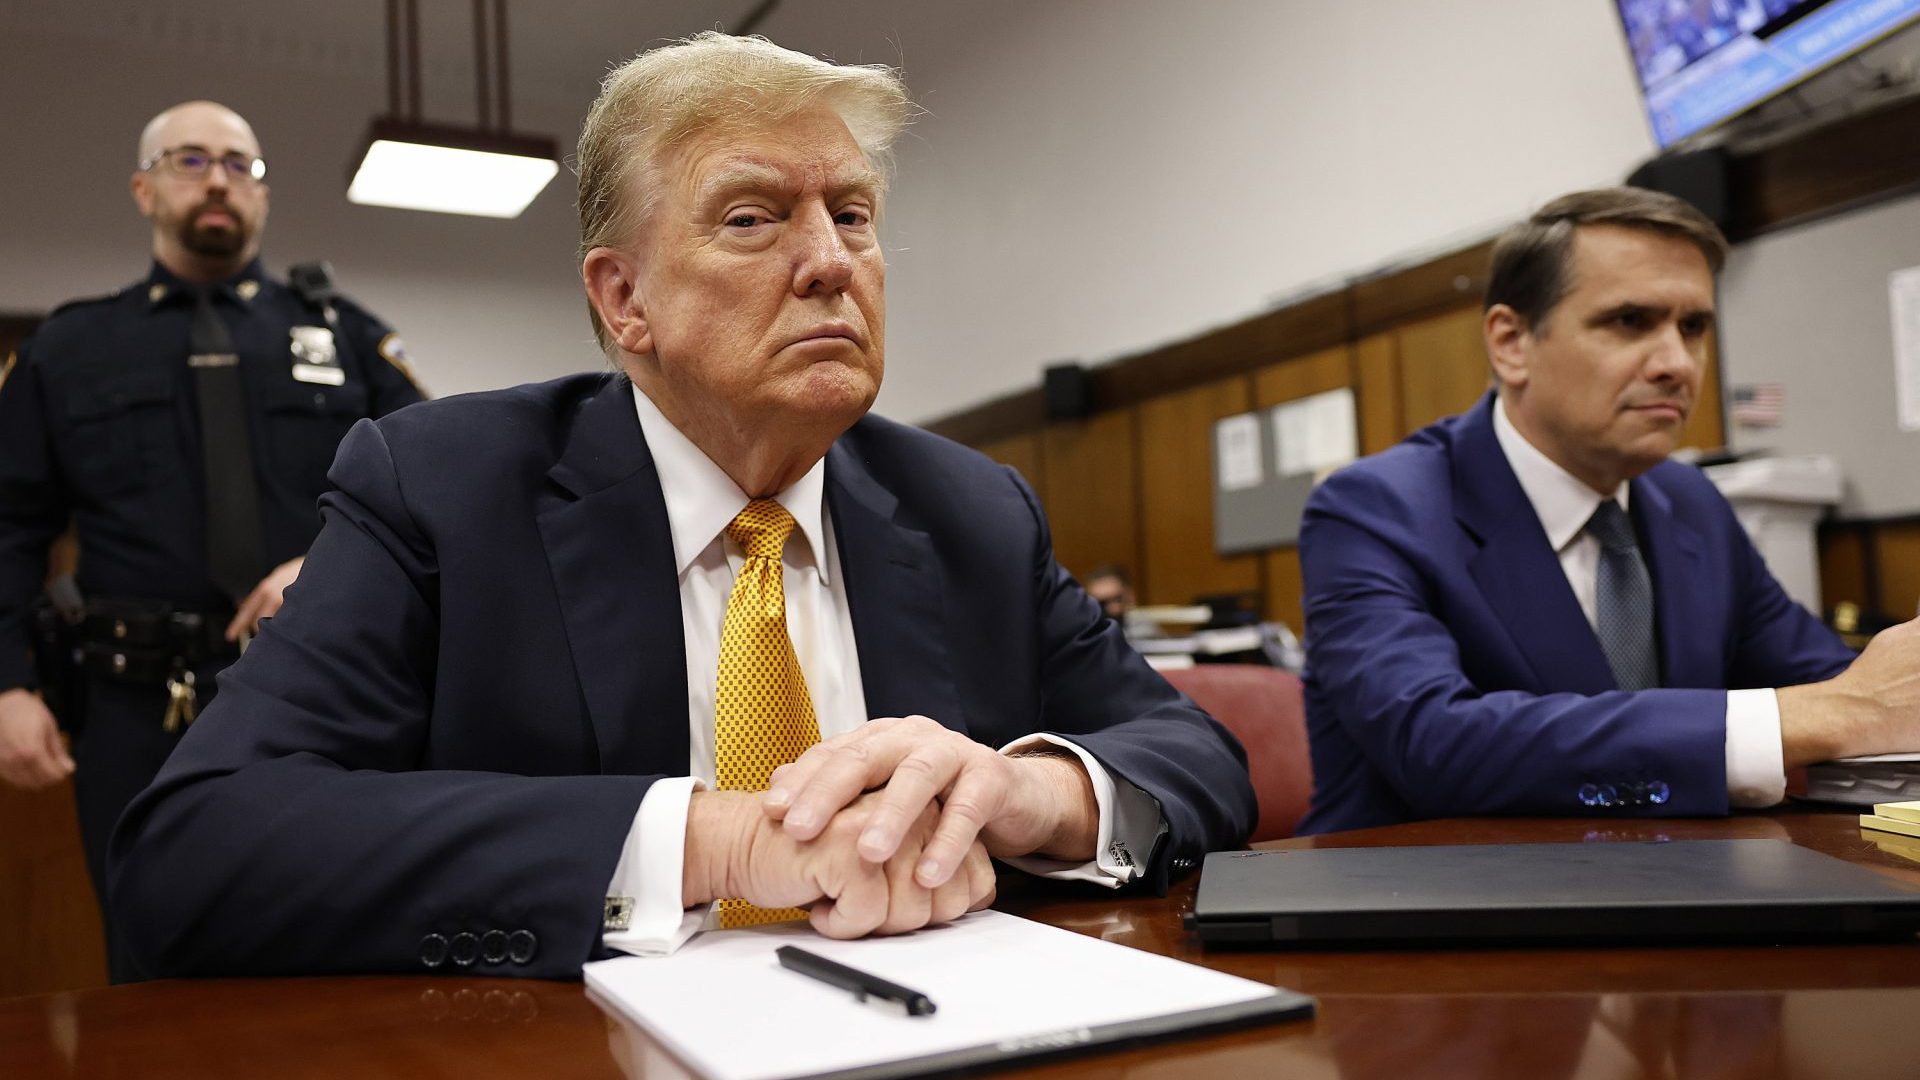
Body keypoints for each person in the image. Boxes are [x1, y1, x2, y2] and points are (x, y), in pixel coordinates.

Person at [109, 35, 1254, 980]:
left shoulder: (970, 509)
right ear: (624, 301)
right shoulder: (442, 489)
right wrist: (716, 840)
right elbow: (199, 848)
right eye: (752, 219)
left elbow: (1195, 756)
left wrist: (1025, 794)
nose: (829, 262)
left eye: (852, 216)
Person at [1296, 187, 1920, 834]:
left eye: (1694, 327)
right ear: (1511, 343)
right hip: (1419, 907)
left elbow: (1840, 684)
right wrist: (1815, 717)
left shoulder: (1690, 501)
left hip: (1679, 886)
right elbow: (1435, 743)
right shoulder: (1374, 509)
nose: (1677, 364)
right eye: (1630, 321)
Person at [0, 101, 423, 977]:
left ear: (262, 197)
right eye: (191, 160)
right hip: (131, 705)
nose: (220, 179)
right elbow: (7, 525)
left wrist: (324, 561)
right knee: (148, 952)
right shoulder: (69, 348)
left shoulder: (344, 335)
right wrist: (5, 685)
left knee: (330, 942)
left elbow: (430, 493)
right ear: (144, 188)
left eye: (242, 164)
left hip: (318, 688)